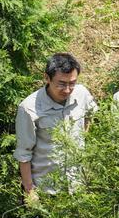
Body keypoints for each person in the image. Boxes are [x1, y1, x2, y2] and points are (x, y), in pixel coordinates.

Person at [15, 53, 98, 194]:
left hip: (78, 185)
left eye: (72, 83)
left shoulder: (82, 94)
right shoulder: (29, 108)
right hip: (47, 190)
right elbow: (24, 154)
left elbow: (91, 115)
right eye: (61, 84)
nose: (67, 90)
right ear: (47, 78)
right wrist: (30, 191)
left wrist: (83, 139)